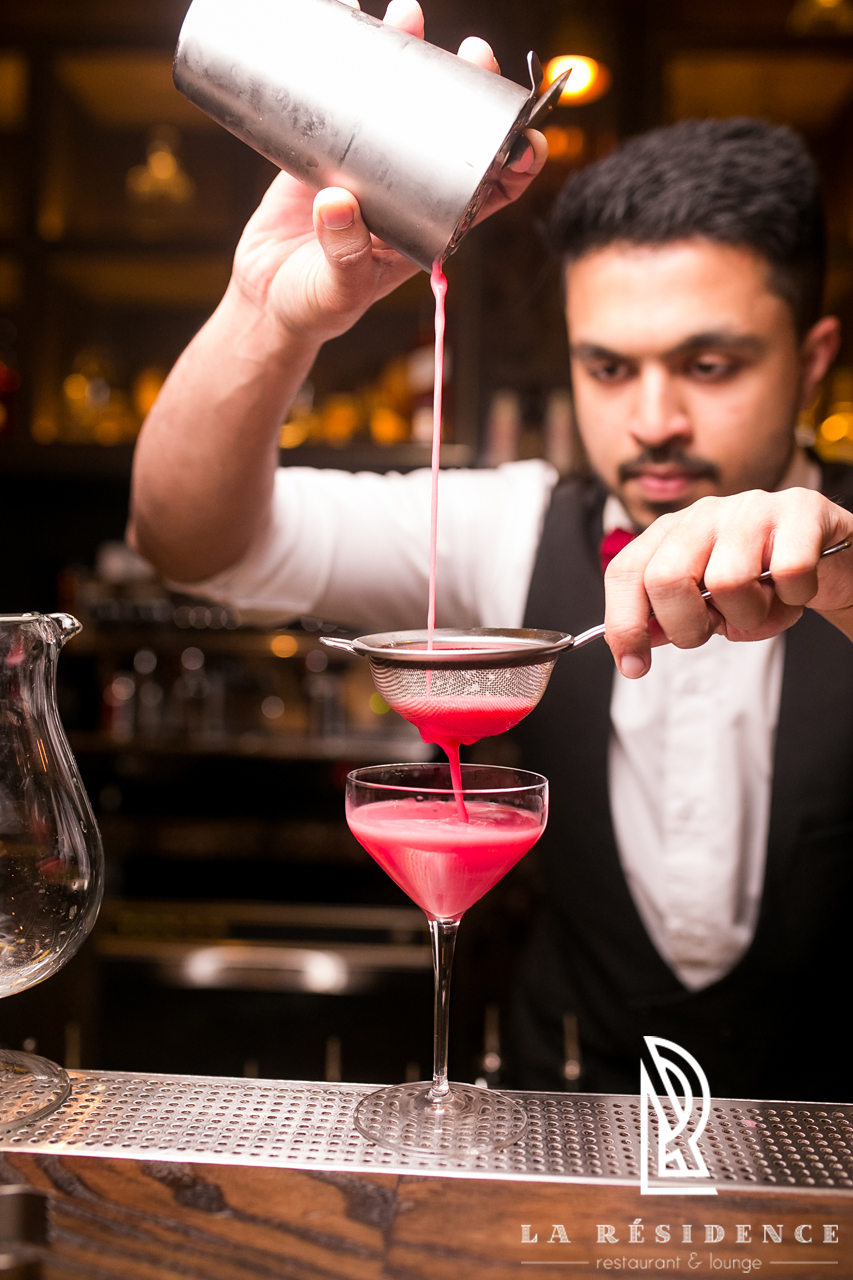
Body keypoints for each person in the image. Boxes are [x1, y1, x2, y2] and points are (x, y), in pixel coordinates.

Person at [129, 0, 853, 1101]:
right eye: (607, 367)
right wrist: (268, 314)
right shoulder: (506, 529)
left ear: (812, 360)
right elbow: (187, 539)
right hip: (564, 1130)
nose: (652, 419)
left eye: (709, 366)